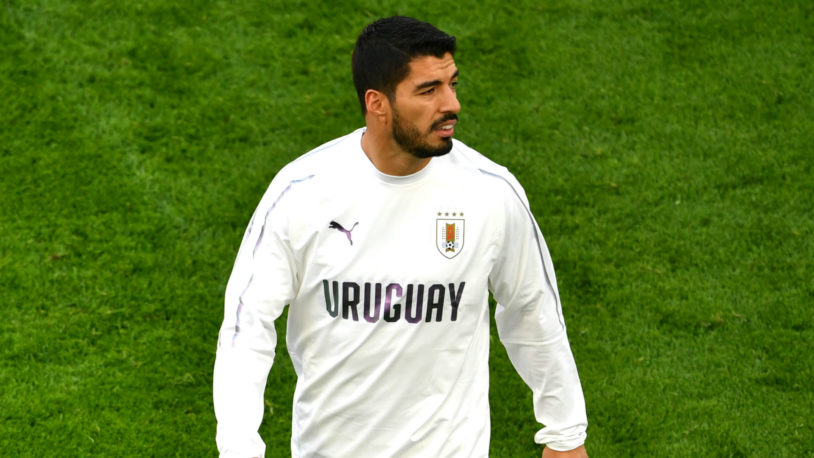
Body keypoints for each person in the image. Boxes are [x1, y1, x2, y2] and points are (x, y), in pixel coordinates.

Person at [213, 16, 588, 458]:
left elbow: (532, 309)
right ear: (377, 103)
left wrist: (565, 434)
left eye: (452, 84)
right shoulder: (302, 194)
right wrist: (238, 447)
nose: (452, 104)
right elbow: (247, 325)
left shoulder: (490, 192)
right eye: (428, 91)